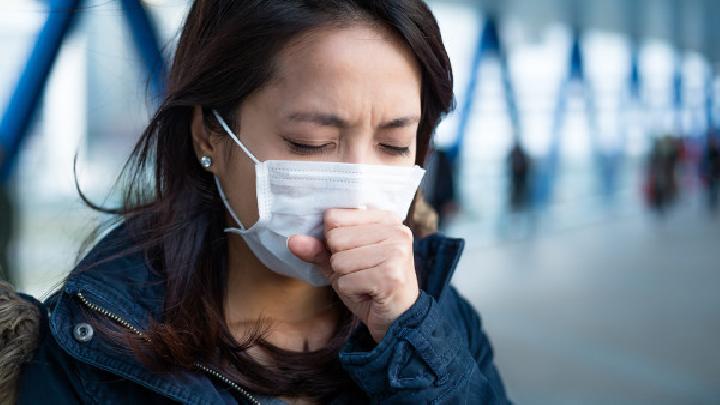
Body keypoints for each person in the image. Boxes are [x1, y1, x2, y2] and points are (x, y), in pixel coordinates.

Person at [14, 1, 510, 403]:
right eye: (311, 142)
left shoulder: (441, 315)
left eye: (394, 145)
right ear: (210, 134)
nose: (358, 192)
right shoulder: (90, 350)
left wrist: (408, 335)